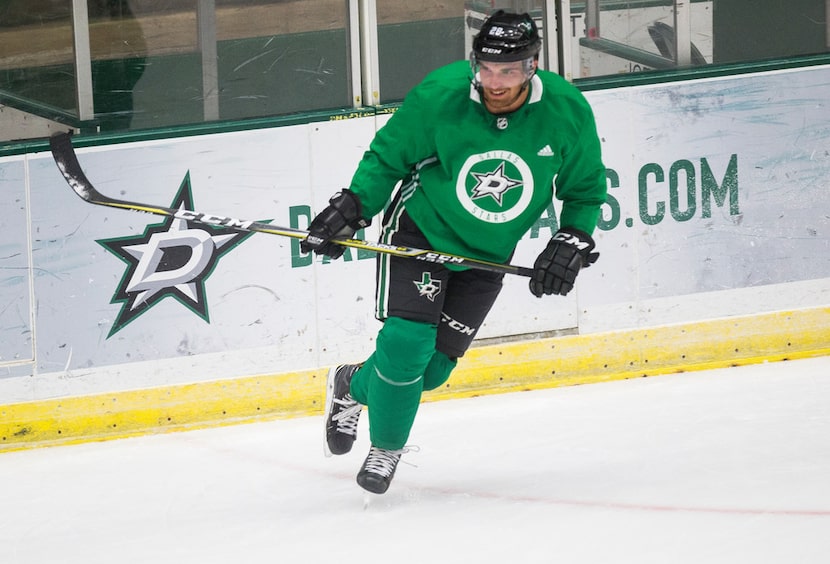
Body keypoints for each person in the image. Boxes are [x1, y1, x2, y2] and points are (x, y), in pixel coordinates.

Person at [300, 10, 607, 495]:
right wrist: (354, 207)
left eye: (508, 71)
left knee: (433, 373)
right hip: (422, 230)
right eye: (485, 68)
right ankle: (386, 451)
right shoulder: (441, 94)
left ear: (532, 66)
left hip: (488, 254)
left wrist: (572, 238)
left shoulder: (566, 109)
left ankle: (352, 384)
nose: (494, 81)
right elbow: (388, 156)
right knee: (406, 346)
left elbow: (585, 190)